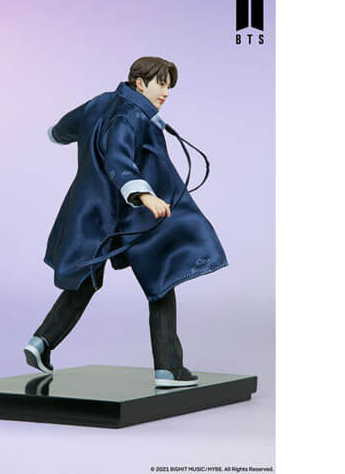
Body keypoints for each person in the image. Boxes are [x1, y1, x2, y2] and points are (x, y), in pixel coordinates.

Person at [24, 56, 228, 387]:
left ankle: (41, 341)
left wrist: (55, 134)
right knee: (162, 279)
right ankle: (168, 368)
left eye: (169, 86)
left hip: (90, 211)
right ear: (140, 83)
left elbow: (63, 128)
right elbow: (118, 158)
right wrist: (144, 195)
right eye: (160, 83)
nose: (166, 92)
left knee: (86, 280)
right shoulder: (132, 115)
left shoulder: (101, 103)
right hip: (127, 213)